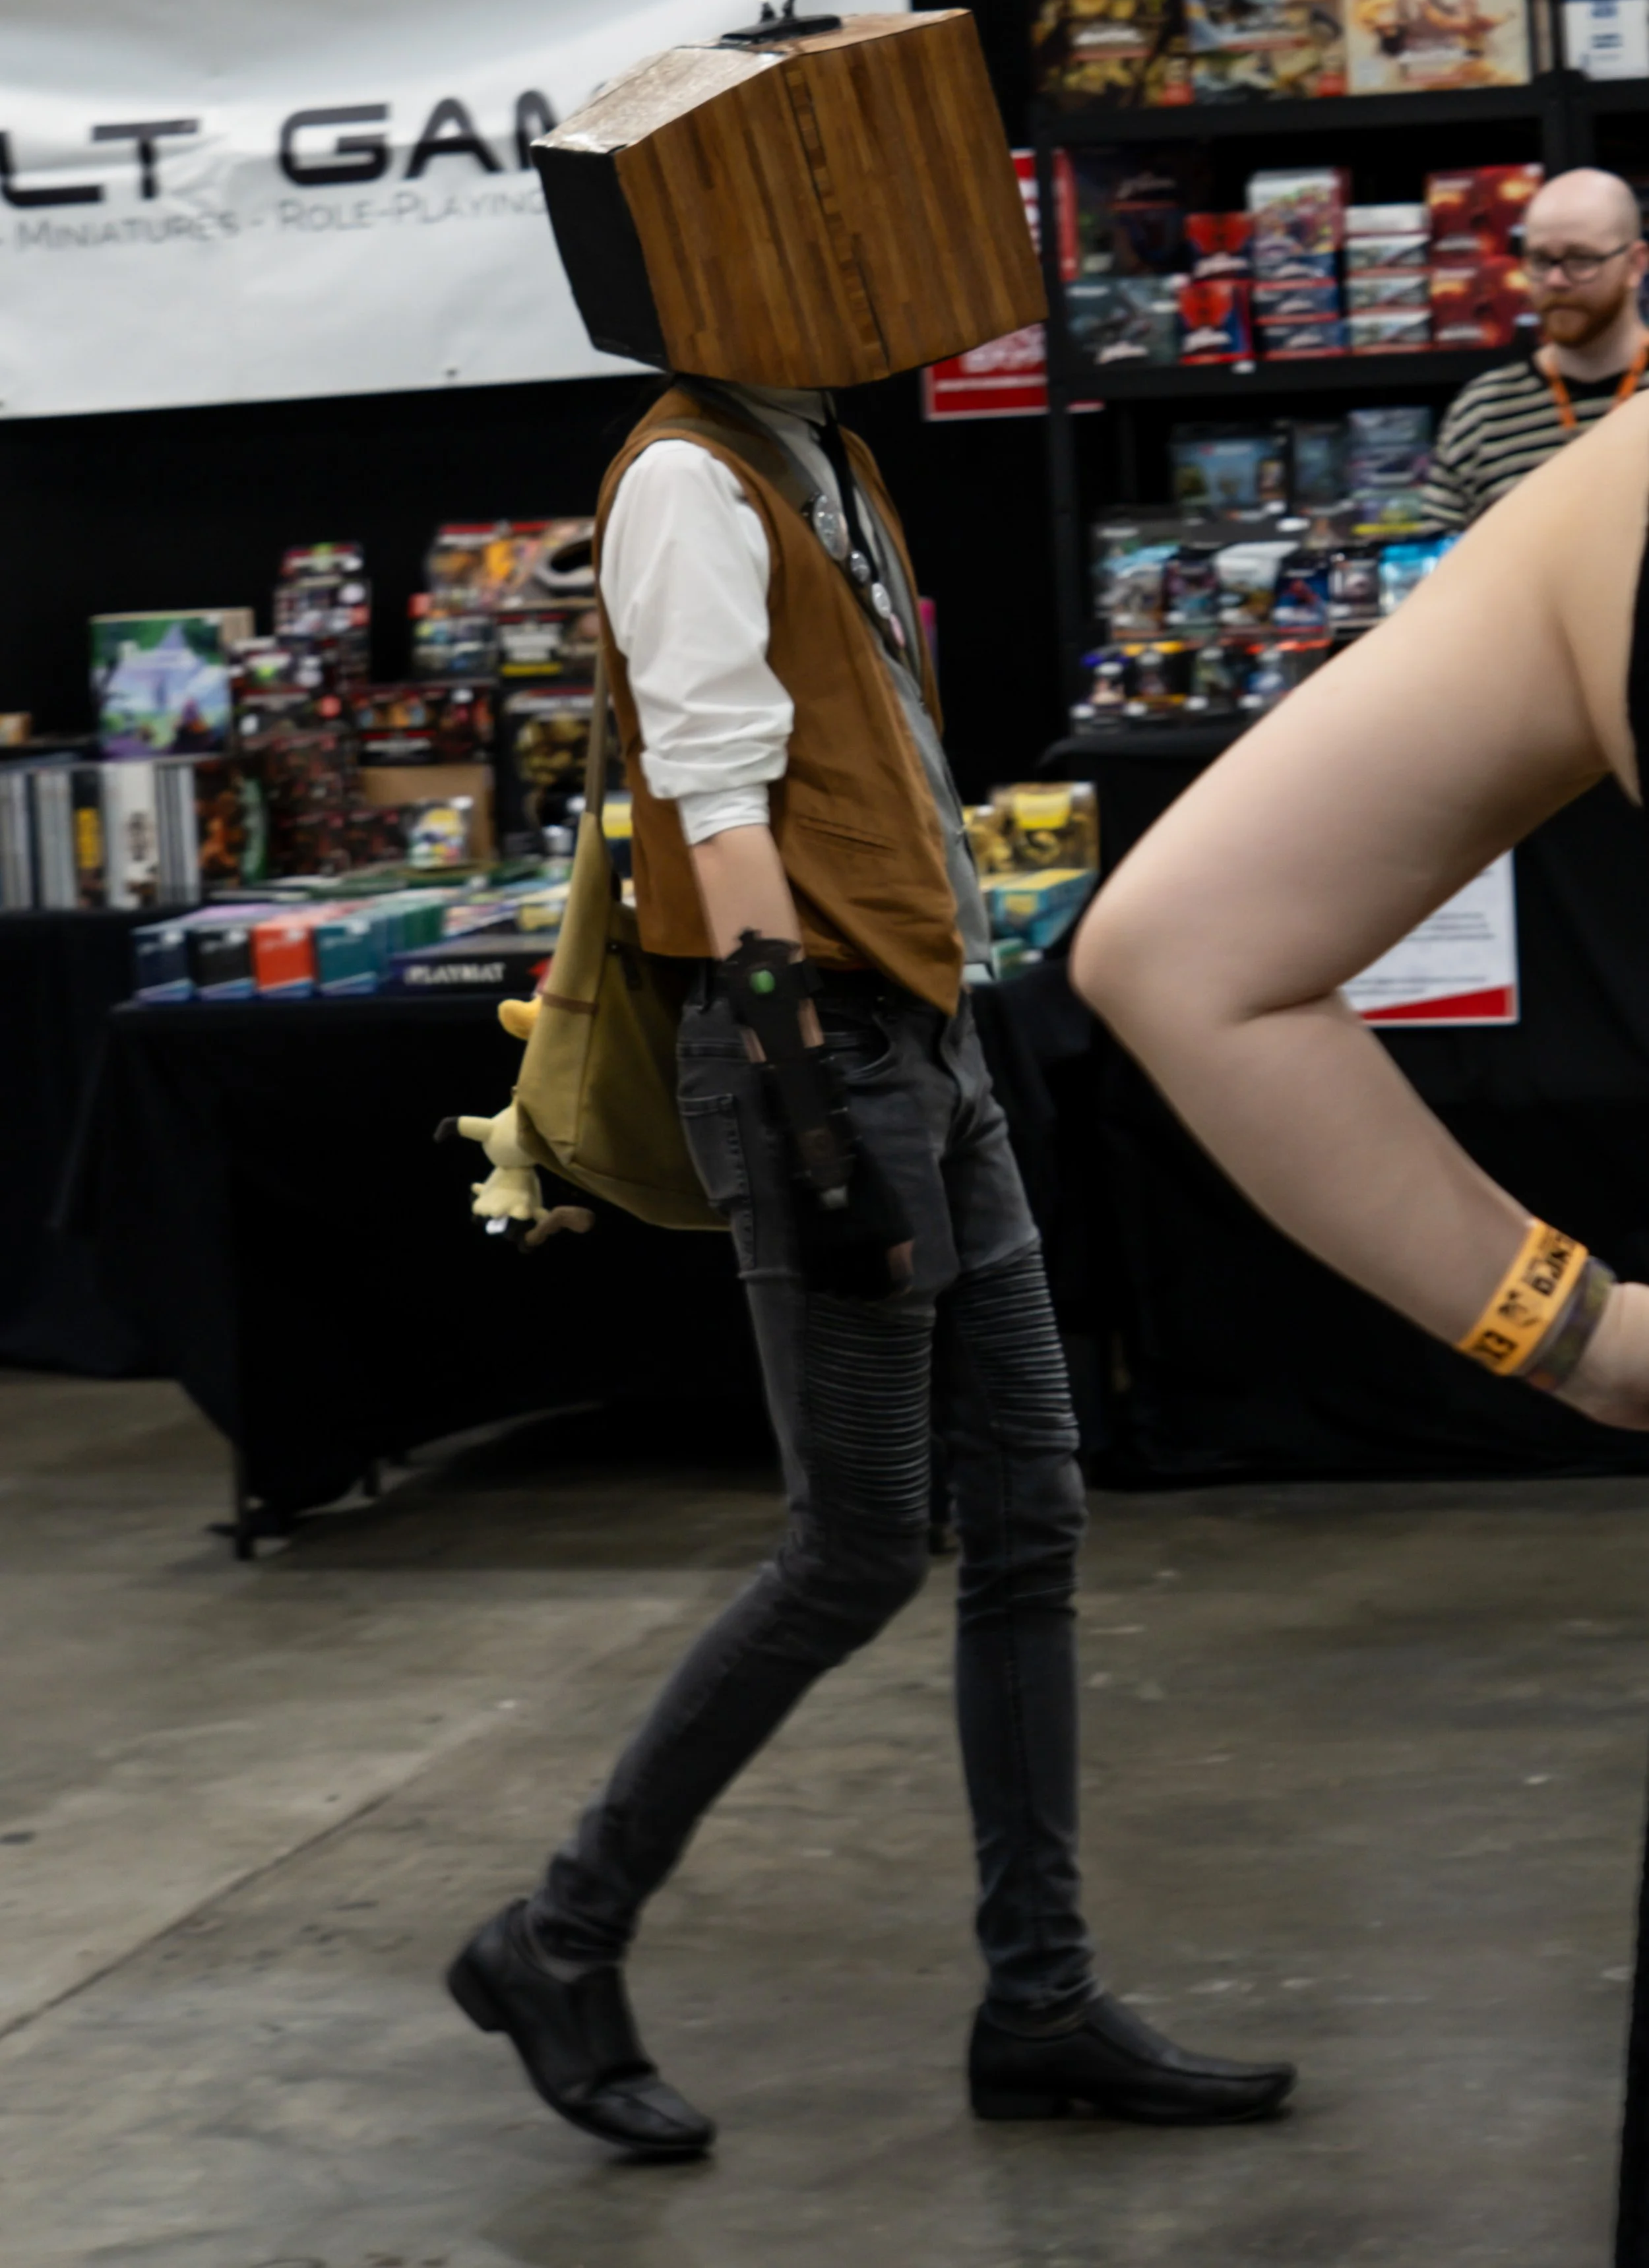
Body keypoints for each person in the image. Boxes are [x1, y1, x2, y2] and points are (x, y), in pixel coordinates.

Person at [445, 368, 1295, 2156]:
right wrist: (809, 1111)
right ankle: (557, 1931)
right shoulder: (685, 474)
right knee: (850, 1545)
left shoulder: (817, 449)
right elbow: (714, 800)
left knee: (1031, 1518)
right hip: (811, 1045)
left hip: (926, 1031)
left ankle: (1040, 1997)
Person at [1069, 389, 1649, 1431]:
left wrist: (1590, 1342)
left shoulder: (1613, 484)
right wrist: (1588, 1339)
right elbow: (1176, 954)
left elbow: (1178, 952)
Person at [1423, 166, 1648, 532]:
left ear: (1635, 265)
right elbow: (1438, 568)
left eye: (1581, 260)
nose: (1557, 280)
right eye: (1541, 261)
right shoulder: (1480, 417)